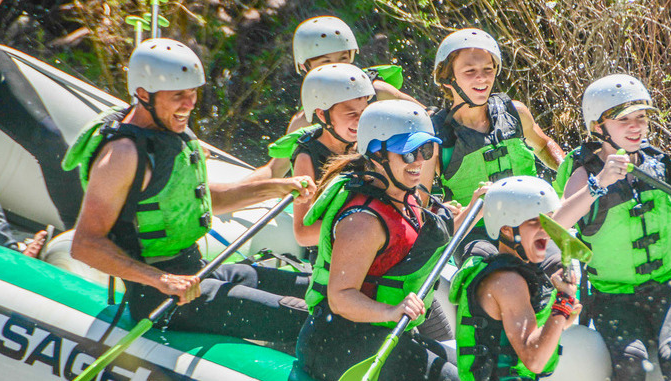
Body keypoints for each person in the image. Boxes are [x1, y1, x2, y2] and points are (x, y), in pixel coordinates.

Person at [62, 38, 317, 342]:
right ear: (143, 94)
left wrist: (276, 188)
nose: (190, 103)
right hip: (161, 298)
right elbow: (85, 243)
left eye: (193, 92)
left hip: (197, 271)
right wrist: (161, 280)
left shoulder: (170, 132)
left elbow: (207, 200)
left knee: (314, 287)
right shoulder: (122, 156)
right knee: (309, 319)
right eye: (179, 95)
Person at [552, 74, 671, 380]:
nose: (636, 126)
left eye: (641, 117)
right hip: (614, 297)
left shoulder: (658, 165)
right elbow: (557, 225)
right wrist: (599, 185)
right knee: (631, 364)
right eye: (624, 119)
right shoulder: (585, 175)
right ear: (599, 128)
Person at [296, 100, 475, 381]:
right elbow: (340, 298)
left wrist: (476, 208)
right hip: (341, 346)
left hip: (383, 333)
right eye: (407, 153)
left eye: (425, 150)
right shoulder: (363, 221)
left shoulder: (405, 196)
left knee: (470, 368)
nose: (418, 161)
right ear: (377, 154)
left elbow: (424, 247)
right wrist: (392, 310)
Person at [431, 28, 566, 257]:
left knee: (563, 269)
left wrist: (568, 170)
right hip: (476, 235)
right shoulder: (437, 137)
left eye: (487, 69)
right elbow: (420, 198)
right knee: (497, 272)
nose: (482, 78)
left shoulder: (516, 112)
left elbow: (543, 145)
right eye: (470, 71)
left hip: (533, 223)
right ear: (447, 78)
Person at [247, 15, 424, 182]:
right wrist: (235, 192)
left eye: (343, 59)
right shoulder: (305, 120)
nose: (337, 67)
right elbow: (274, 170)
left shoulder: (377, 92)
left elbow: (425, 120)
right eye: (326, 62)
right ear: (304, 66)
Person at [449, 176, 580, 381]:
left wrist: (560, 319)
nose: (546, 232)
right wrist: (563, 302)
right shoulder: (508, 282)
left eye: (548, 221)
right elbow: (534, 360)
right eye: (535, 222)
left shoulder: (502, 272)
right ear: (507, 230)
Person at [265, 63, 374, 247]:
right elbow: (303, 233)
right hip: (333, 250)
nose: (359, 120)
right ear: (322, 116)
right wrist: (364, 227)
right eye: (351, 113)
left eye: (363, 112)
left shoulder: (369, 145)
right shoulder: (307, 157)